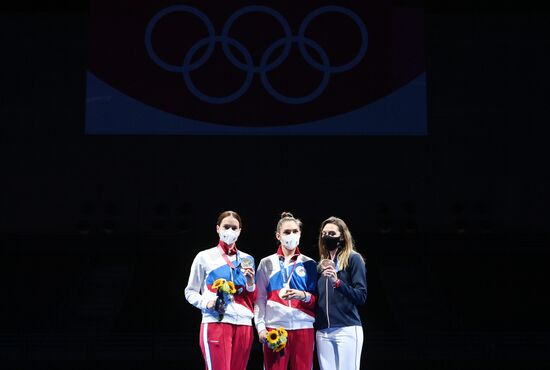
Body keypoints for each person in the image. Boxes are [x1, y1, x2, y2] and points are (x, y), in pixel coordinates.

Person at [185, 210, 256, 370]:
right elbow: (190, 291)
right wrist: (207, 302)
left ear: (240, 231)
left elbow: (252, 296)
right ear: (218, 228)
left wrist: (251, 282)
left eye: (234, 228)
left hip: (244, 324)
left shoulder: (247, 259)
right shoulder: (204, 257)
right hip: (216, 322)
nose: (230, 231)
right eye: (226, 227)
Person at [254, 212, 318, 370]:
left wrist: (303, 296)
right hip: (275, 328)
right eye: (287, 232)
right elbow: (259, 298)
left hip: (304, 328)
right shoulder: (266, 263)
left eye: (295, 231)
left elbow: (316, 301)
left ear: (300, 233)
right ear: (278, 235)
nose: (292, 235)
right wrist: (261, 328)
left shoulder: (309, 263)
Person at [315, 216, 367, 370]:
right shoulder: (320, 265)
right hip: (323, 331)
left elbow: (361, 296)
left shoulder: (353, 259)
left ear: (342, 236)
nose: (326, 237)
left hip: (347, 328)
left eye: (331, 233)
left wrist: (338, 283)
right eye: (324, 233)